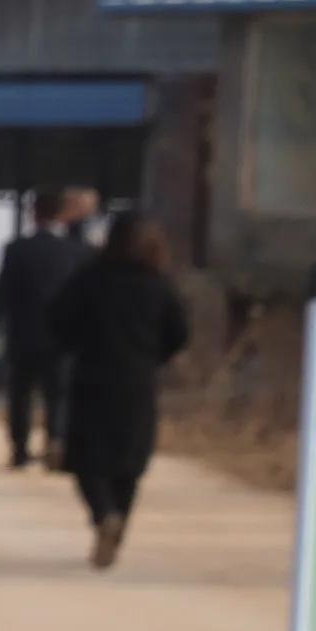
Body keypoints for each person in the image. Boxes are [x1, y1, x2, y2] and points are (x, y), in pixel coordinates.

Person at [50, 211, 196, 567]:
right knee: (128, 464)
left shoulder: (89, 279)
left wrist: (76, 346)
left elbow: (58, 320)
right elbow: (180, 334)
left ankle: (103, 515)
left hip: (92, 377)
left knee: (88, 460)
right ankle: (119, 523)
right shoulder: (159, 285)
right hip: (138, 382)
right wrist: (154, 356)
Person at [0, 190, 92, 475]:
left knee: (20, 393)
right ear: (63, 215)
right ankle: (55, 441)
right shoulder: (77, 252)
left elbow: (1, 294)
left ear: (34, 213)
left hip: (23, 334)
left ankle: (20, 449)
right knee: (58, 393)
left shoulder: (16, 248)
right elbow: (86, 298)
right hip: (63, 337)